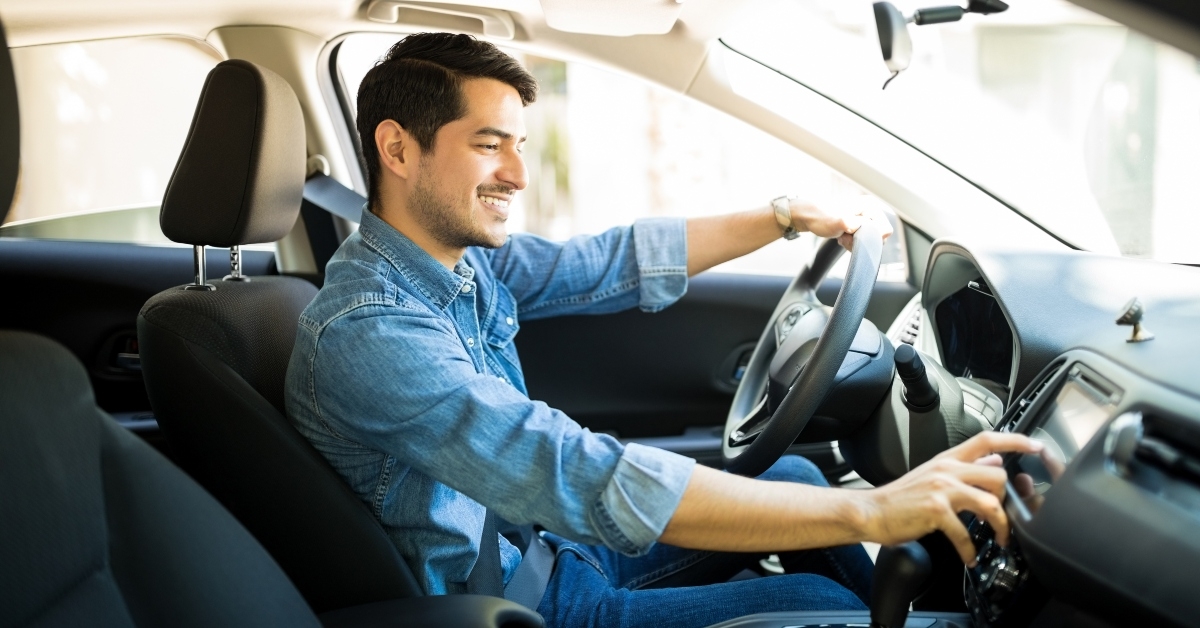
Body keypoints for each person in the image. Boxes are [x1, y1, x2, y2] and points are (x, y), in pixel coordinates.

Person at [284, 32, 1042, 627]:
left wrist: (783, 217)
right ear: (397, 149)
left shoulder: (452, 263)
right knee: (825, 604)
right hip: (518, 604)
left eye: (519, 144)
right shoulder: (370, 332)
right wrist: (872, 508)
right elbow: (571, 468)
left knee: (799, 480)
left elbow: (609, 261)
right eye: (489, 144)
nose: (517, 173)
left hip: (548, 549)